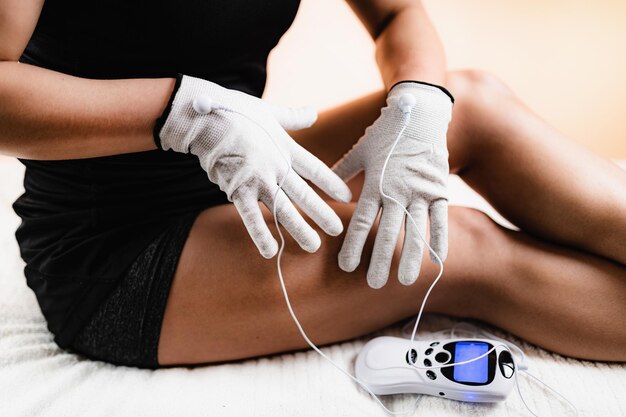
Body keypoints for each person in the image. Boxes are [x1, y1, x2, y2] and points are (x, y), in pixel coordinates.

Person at [0, 0, 624, 370]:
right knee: (457, 248)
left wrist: (419, 99)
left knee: (474, 105)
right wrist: (182, 113)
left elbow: (397, 15)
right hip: (117, 247)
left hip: (255, 153)